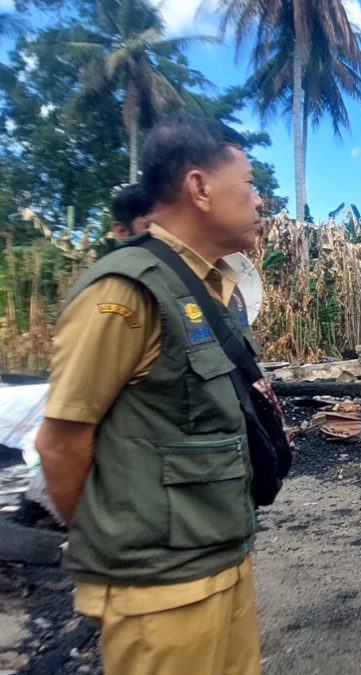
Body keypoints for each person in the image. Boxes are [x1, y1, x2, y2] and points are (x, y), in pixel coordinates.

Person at [34, 114, 264, 675]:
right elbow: (61, 443)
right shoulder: (126, 291)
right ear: (199, 188)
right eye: (250, 184)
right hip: (158, 590)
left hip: (219, 562)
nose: (260, 201)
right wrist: (113, 547)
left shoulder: (207, 286)